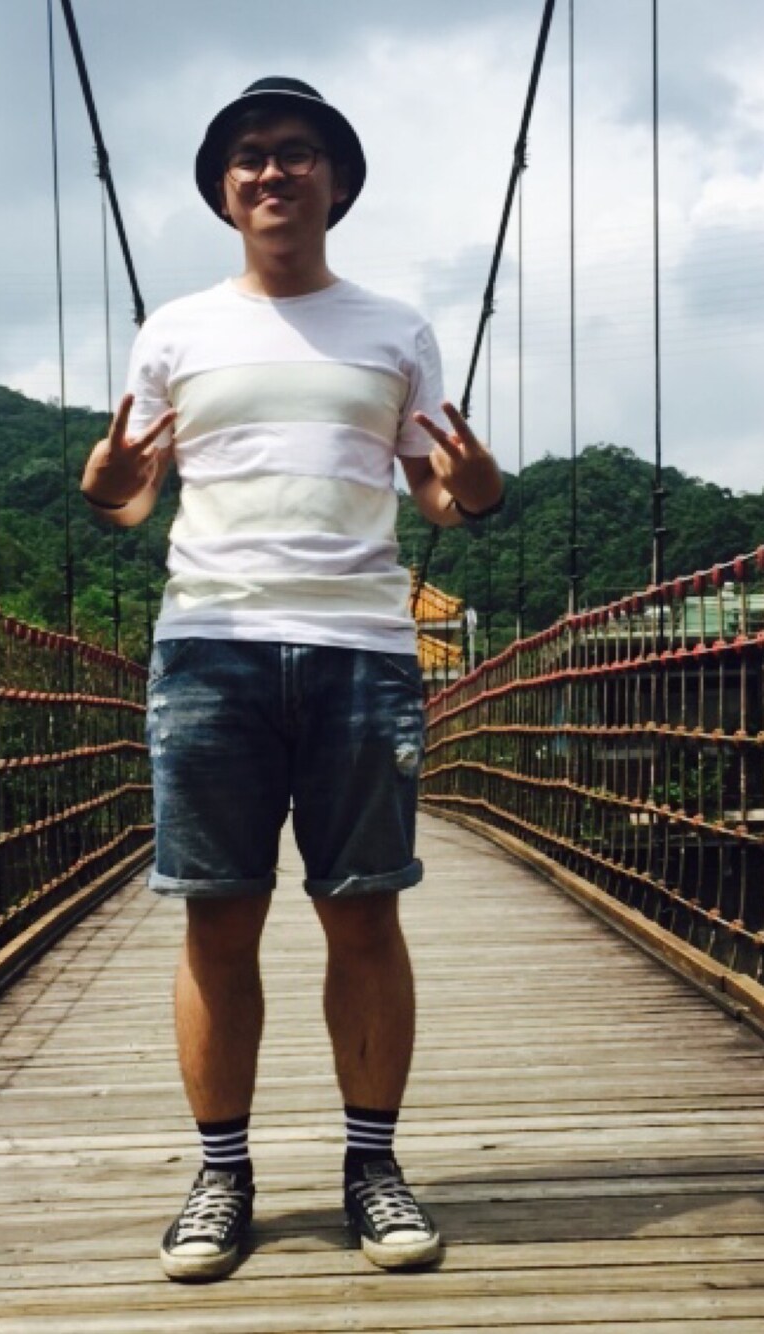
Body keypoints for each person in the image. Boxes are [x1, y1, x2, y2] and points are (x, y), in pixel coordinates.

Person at [81, 76, 504, 1282]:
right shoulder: (174, 332)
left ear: (339, 181)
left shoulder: (396, 331)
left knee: (362, 911)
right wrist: (104, 481)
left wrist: (479, 486)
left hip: (361, 649)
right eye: (251, 156)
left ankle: (371, 1165)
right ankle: (222, 1173)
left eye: (298, 151)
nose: (274, 171)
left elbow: (441, 497)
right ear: (224, 191)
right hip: (208, 645)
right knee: (217, 915)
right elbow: (130, 501)